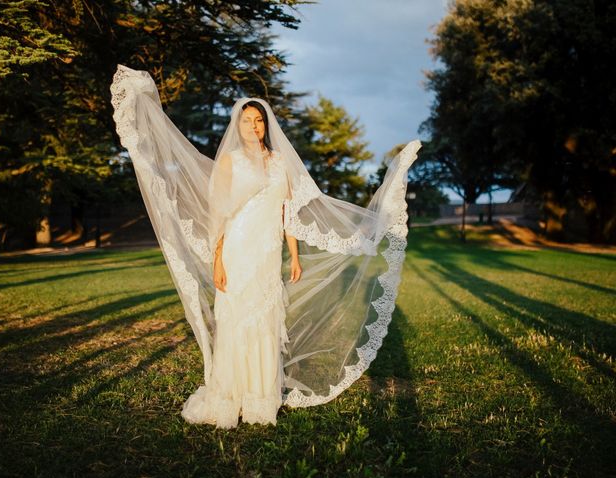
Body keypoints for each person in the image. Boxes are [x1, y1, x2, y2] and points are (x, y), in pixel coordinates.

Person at [109, 64, 421, 429]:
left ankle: (259, 399)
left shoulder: (279, 163)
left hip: (268, 250)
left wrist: (295, 254)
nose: (253, 126)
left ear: (265, 124)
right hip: (237, 249)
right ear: (237, 126)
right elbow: (219, 216)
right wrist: (218, 259)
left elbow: (289, 211)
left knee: (265, 319)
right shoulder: (229, 162)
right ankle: (228, 397)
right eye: (246, 121)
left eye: (258, 120)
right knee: (236, 318)